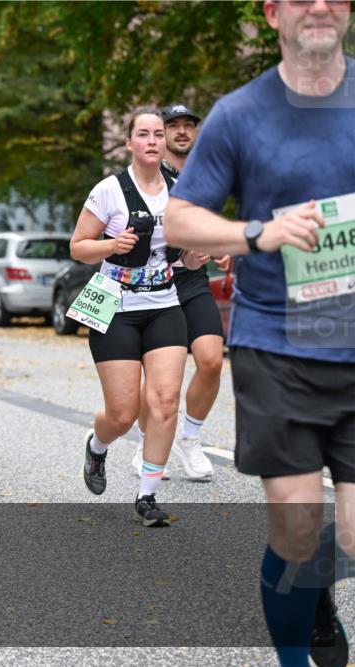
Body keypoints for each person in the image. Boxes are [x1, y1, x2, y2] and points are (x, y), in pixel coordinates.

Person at [165, 1, 353, 663]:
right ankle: (296, 653)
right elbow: (180, 221)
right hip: (278, 347)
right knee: (298, 528)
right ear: (273, 12)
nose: (322, 6)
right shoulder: (240, 114)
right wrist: (257, 233)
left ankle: (315, 585)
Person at [69, 109, 205, 527]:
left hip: (163, 303)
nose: (152, 140)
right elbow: (78, 247)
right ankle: (97, 445)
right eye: (142, 134)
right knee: (124, 413)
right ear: (129, 143)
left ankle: (147, 495)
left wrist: (197, 255)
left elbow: (186, 258)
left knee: (164, 403)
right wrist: (110, 245)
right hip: (114, 306)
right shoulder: (109, 190)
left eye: (158, 134)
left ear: (165, 143)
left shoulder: (180, 191)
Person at [129, 104, 228, 482]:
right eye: (174, 126)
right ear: (160, 134)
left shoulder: (206, 175)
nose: (182, 131)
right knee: (157, 375)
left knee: (211, 360)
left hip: (191, 281)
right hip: (154, 282)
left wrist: (218, 247)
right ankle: (144, 443)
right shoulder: (151, 174)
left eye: (189, 125)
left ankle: (189, 437)